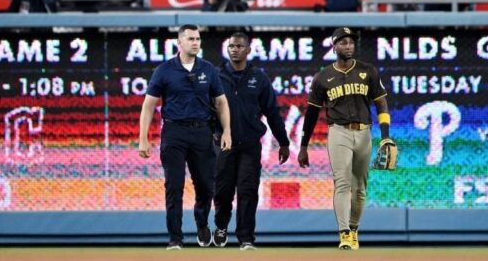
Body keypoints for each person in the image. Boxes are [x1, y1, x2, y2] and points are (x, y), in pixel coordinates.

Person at [138, 24, 232, 251]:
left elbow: (221, 102)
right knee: (174, 186)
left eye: (198, 39)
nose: (195, 43)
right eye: (190, 39)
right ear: (179, 43)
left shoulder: (208, 69)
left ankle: (201, 224)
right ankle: (175, 239)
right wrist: (143, 138)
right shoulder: (164, 70)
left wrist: (227, 131)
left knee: (206, 186)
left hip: (201, 132)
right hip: (173, 132)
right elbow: (148, 105)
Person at [298, 27, 392, 250]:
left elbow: (381, 103)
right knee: (342, 183)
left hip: (364, 132)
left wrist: (385, 136)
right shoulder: (322, 78)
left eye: (351, 42)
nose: (348, 46)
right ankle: (344, 234)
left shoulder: (368, 71)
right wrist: (303, 146)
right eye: (343, 42)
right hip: (338, 131)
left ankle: (354, 228)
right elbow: (311, 114)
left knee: (359, 187)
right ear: (334, 46)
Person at [212, 31, 290, 250]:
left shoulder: (259, 77)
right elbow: (205, 109)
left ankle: (246, 238)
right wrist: (211, 134)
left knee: (247, 191)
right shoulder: (215, 76)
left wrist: (283, 142)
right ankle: (221, 227)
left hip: (249, 145)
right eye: (231, 46)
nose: (234, 50)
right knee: (223, 192)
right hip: (223, 144)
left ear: (248, 50)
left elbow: (272, 112)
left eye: (239, 46)